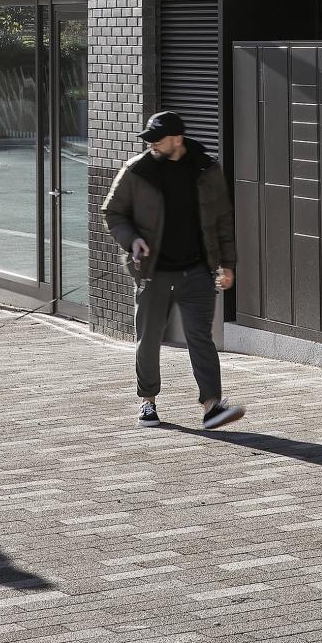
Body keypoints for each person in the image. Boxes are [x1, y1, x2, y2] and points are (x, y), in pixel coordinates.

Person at [102, 111, 244, 430]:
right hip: (154, 272)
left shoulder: (207, 170)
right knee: (149, 339)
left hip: (197, 270)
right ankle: (148, 402)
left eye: (157, 138)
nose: (150, 143)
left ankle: (212, 406)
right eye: (149, 138)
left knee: (200, 338)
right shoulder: (137, 171)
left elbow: (223, 220)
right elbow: (113, 212)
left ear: (176, 140)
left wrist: (228, 264)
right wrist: (133, 240)